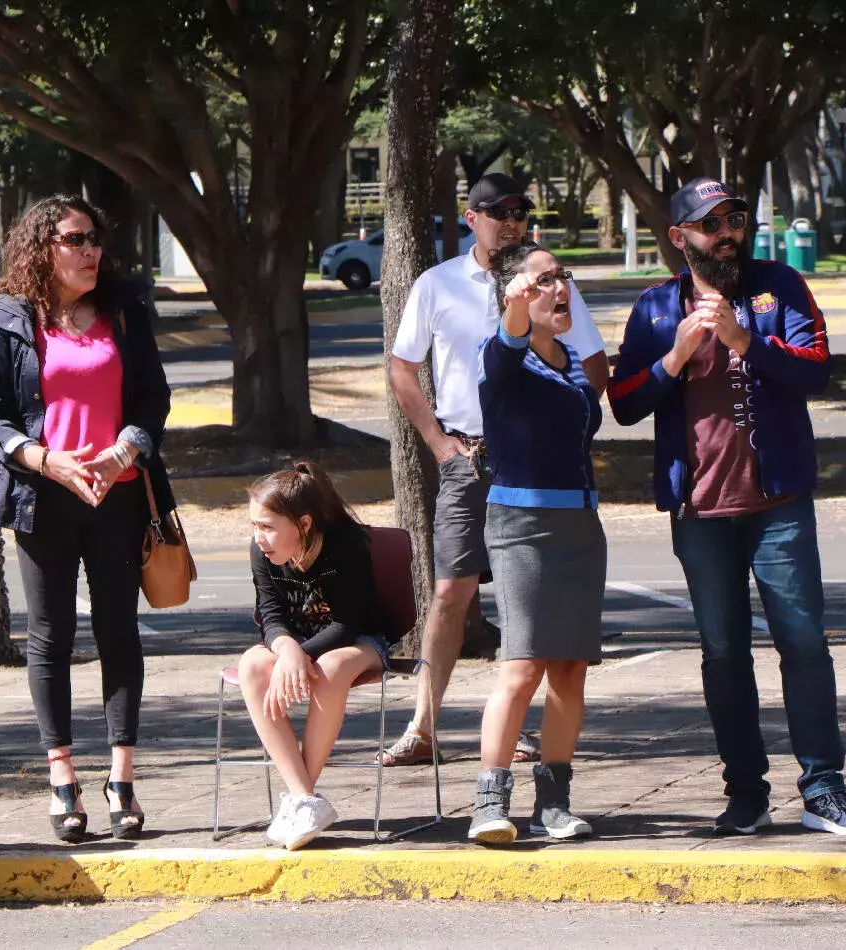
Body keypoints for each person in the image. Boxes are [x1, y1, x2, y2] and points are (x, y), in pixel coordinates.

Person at [608, 178, 846, 838]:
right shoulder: (652, 309)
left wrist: (742, 341)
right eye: (711, 223)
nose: (727, 231)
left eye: (734, 218)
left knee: (803, 641)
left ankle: (823, 789)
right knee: (723, 652)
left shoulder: (777, 287)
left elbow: (815, 370)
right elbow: (623, 403)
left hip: (777, 499)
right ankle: (744, 794)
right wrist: (673, 355)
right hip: (699, 509)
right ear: (679, 238)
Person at [385, 174, 608, 767]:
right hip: (471, 455)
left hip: (537, 469)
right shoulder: (438, 285)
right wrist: (437, 443)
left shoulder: (551, 282)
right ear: (469, 216)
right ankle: (423, 725)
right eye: (495, 211)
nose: (509, 220)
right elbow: (404, 369)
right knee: (452, 590)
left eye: (519, 211)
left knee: (529, 603)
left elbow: (594, 365)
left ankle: (519, 727)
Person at [0, 195, 173, 842]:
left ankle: (122, 780)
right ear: (43, 247)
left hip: (116, 494)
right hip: (44, 496)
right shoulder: (6, 320)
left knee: (119, 632)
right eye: (76, 239)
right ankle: (63, 780)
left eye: (96, 239)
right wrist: (47, 460)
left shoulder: (124, 309)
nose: (91, 251)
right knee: (50, 639)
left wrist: (124, 451)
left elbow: (152, 397)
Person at [466, 242, 605, 845]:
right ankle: (489, 803)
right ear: (514, 295)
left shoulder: (573, 360)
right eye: (544, 279)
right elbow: (508, 345)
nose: (559, 288)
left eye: (563, 276)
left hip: (580, 527)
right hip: (521, 527)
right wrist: (515, 310)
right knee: (522, 667)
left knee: (570, 669)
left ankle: (554, 803)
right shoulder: (499, 357)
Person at [238, 464, 396, 850]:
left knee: (329, 669)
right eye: (255, 526)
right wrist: (287, 649)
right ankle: (305, 797)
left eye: (268, 526)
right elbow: (271, 616)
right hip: (298, 644)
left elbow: (347, 623)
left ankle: (298, 801)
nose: (260, 538)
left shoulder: (344, 545)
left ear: (304, 523)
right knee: (252, 665)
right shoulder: (263, 553)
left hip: (359, 642)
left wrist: (300, 654)